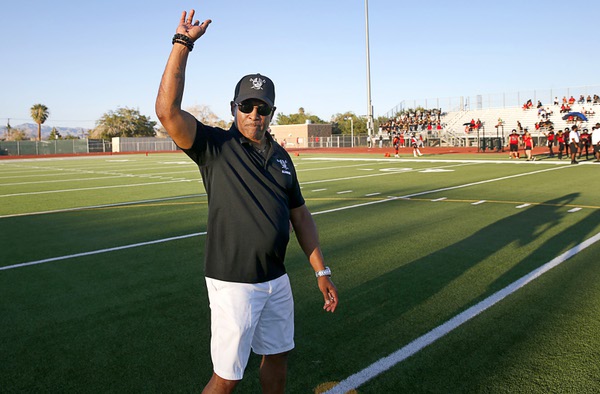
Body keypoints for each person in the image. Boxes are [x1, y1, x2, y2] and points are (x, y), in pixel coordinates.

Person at [155, 9, 339, 393]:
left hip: (276, 278)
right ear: (233, 107)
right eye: (247, 106)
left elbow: (300, 214)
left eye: (263, 108)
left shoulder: (283, 157)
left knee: (278, 355)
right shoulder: (215, 147)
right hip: (232, 282)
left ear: (272, 112)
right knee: (227, 377)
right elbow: (167, 112)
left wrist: (321, 271)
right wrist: (182, 44)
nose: (255, 114)